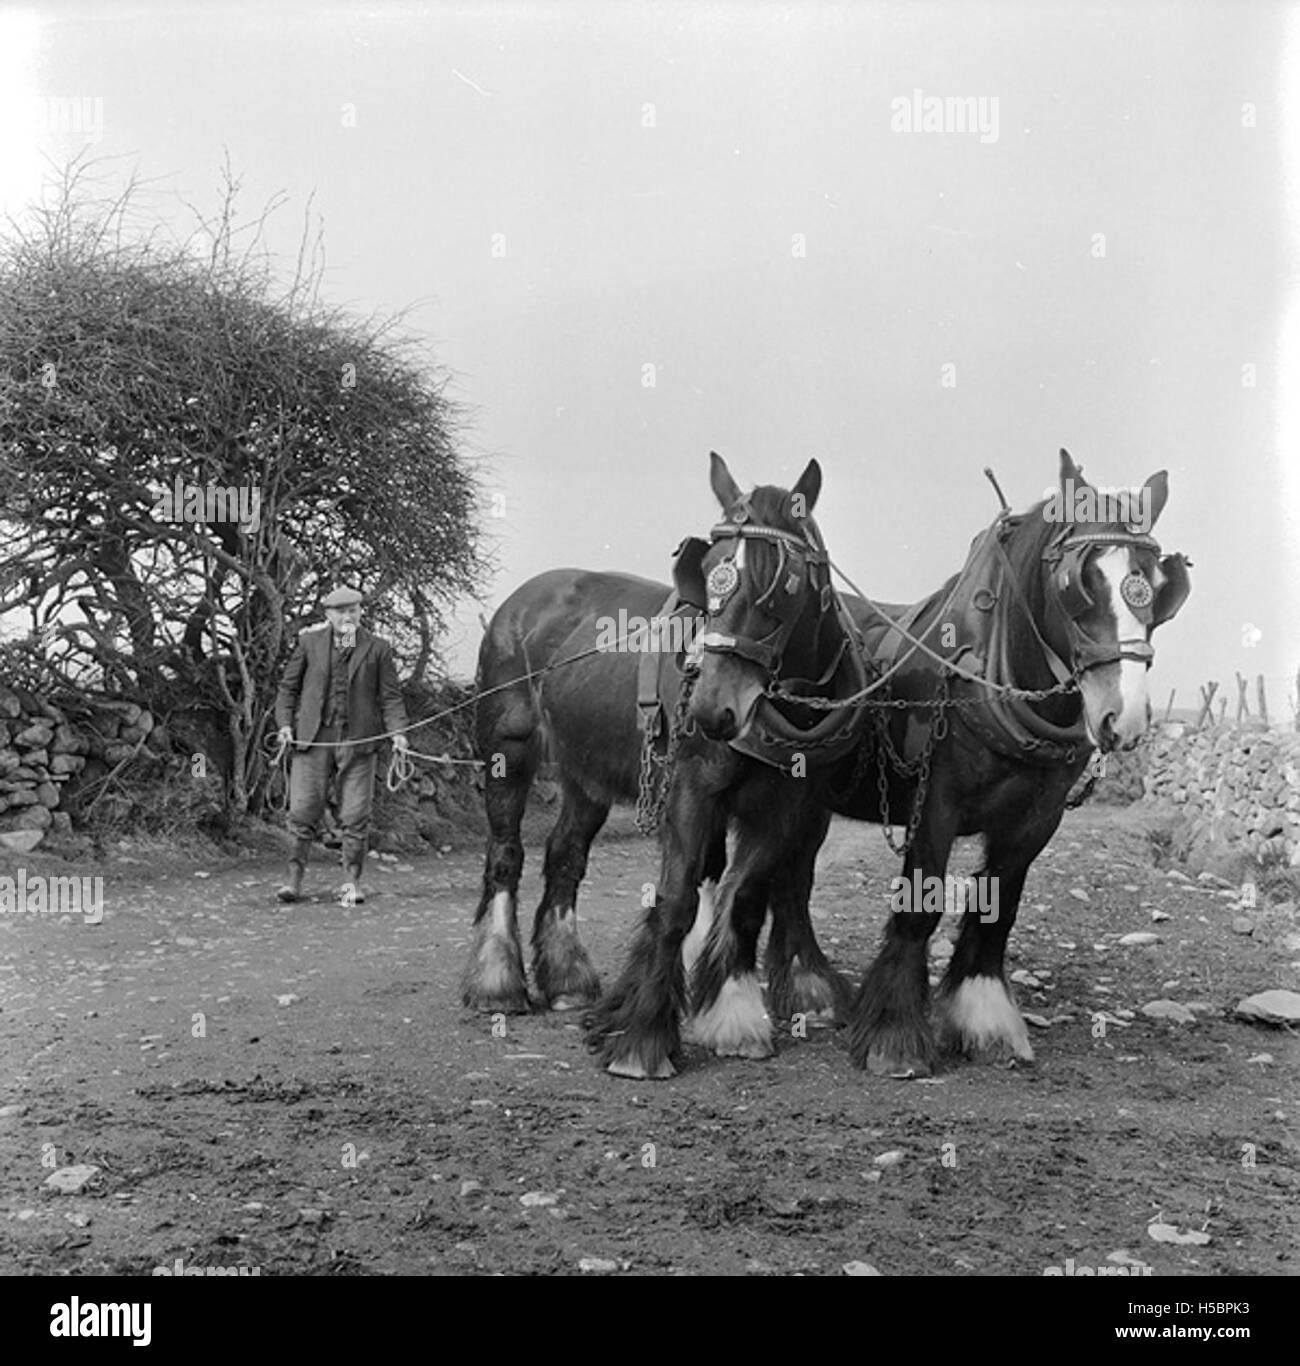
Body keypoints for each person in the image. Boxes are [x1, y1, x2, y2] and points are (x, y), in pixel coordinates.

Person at [273, 586, 409, 905]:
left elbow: (390, 698)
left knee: (356, 815)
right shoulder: (308, 643)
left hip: (358, 740)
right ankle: (293, 880)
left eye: (353, 610)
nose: (348, 616)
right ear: (328, 615)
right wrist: (284, 725)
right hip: (313, 738)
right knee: (303, 810)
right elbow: (287, 689)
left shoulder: (378, 649)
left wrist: (399, 733)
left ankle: (351, 883)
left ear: (361, 612)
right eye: (341, 611)